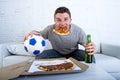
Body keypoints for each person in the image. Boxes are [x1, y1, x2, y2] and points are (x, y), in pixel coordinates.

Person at [24, 6, 96, 61]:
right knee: (40, 57)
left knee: (91, 58)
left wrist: (91, 47)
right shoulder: (49, 29)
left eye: (66, 19)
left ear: (70, 20)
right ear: (54, 21)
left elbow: (87, 45)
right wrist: (32, 33)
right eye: (58, 20)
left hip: (74, 53)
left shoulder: (78, 30)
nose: (62, 23)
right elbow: (39, 35)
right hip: (56, 53)